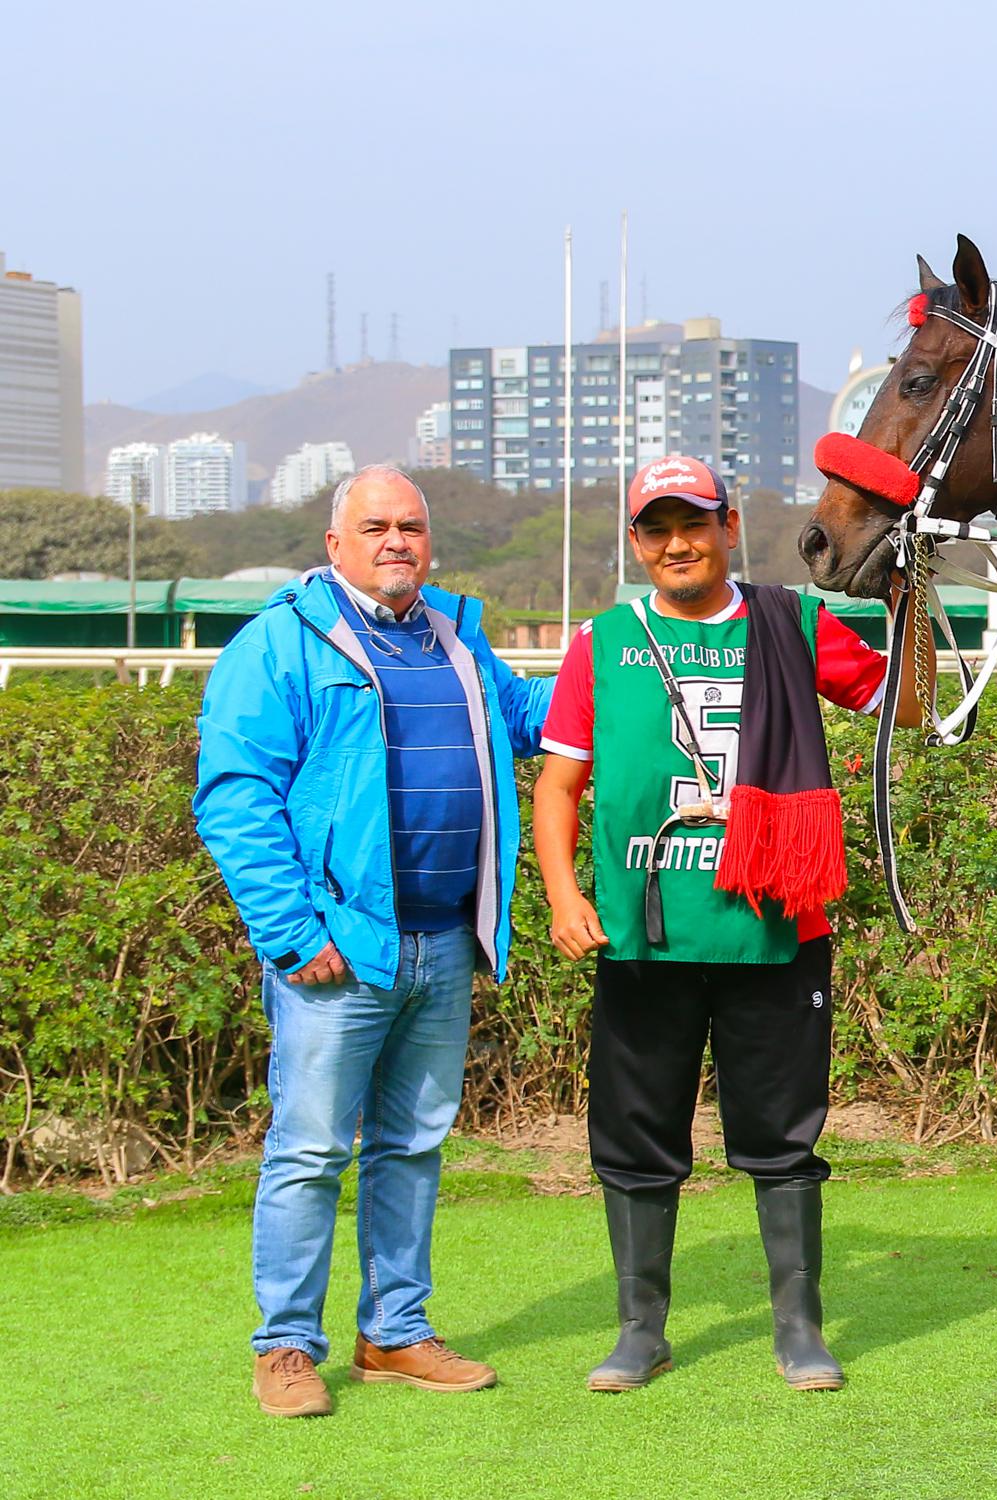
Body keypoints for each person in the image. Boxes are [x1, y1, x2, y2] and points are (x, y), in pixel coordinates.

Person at [532, 454, 919, 1394]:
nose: (677, 543)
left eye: (693, 523)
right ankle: (640, 1331)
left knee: (781, 1138)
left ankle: (799, 1331)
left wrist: (911, 604)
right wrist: (561, 897)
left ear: (729, 525)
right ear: (636, 542)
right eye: (657, 528)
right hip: (643, 930)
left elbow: (902, 706)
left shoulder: (792, 622)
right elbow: (558, 783)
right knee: (635, 1137)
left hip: (774, 928)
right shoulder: (603, 641)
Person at [194, 465, 554, 1418]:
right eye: (377, 526)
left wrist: (633, 666)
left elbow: (530, 724)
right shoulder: (277, 644)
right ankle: (285, 1346)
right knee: (310, 1151)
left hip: (444, 946)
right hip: (338, 953)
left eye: (411, 526)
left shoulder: (457, 636)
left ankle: (394, 1333)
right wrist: (287, 932)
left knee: (411, 1147)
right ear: (336, 544)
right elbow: (236, 799)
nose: (397, 541)